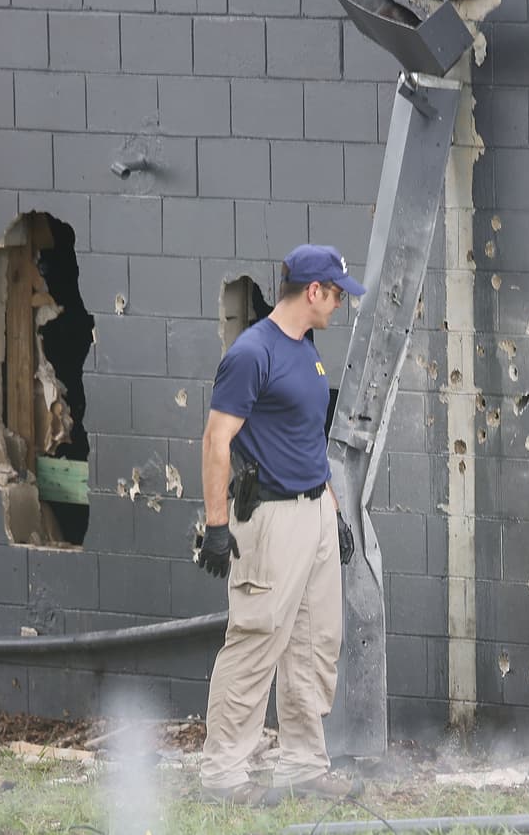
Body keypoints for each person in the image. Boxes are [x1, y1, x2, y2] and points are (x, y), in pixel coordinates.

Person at [195, 244, 364, 807]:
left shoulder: (306, 349)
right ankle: (223, 777)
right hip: (269, 518)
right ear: (313, 291)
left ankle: (302, 766)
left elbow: (308, 439)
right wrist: (217, 527)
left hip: (314, 512)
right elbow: (216, 440)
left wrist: (333, 513)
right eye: (337, 293)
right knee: (255, 641)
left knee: (316, 643)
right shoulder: (252, 353)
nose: (340, 303)